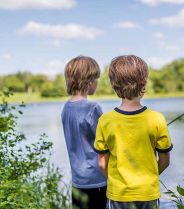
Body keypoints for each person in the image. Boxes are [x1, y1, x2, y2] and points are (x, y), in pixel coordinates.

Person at [94, 55, 173, 209]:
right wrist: (149, 178)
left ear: (113, 85)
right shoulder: (157, 119)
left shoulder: (105, 120)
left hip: (118, 194)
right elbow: (165, 160)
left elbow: (102, 164)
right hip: (148, 193)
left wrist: (116, 182)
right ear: (144, 83)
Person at [61, 56, 107, 209]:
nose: (97, 82)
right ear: (89, 81)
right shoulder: (92, 108)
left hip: (77, 181)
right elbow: (106, 142)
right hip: (97, 180)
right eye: (96, 78)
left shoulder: (66, 108)